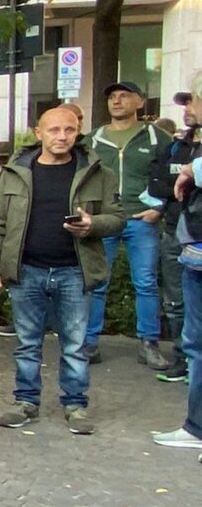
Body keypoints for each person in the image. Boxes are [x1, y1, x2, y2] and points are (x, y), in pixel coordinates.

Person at [0, 108, 124, 434]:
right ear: (38, 132)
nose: (62, 136)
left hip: (74, 270)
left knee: (74, 345)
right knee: (27, 343)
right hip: (27, 269)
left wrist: (92, 225)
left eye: (69, 130)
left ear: (78, 132)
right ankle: (26, 401)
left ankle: (75, 404)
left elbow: (117, 218)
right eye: (54, 130)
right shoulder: (16, 172)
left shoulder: (97, 172)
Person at [83, 81, 172, 370]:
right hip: (105, 220)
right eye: (112, 97)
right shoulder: (92, 139)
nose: (117, 101)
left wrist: (159, 207)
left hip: (141, 219)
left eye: (124, 96)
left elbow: (171, 175)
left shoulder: (157, 137)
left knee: (145, 283)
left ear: (140, 102)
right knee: (97, 282)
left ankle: (149, 343)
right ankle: (90, 342)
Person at [150, 94, 200, 386]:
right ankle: (183, 359)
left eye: (192, 103)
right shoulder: (175, 147)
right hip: (175, 230)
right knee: (176, 302)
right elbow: (157, 183)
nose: (187, 110)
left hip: (196, 234)